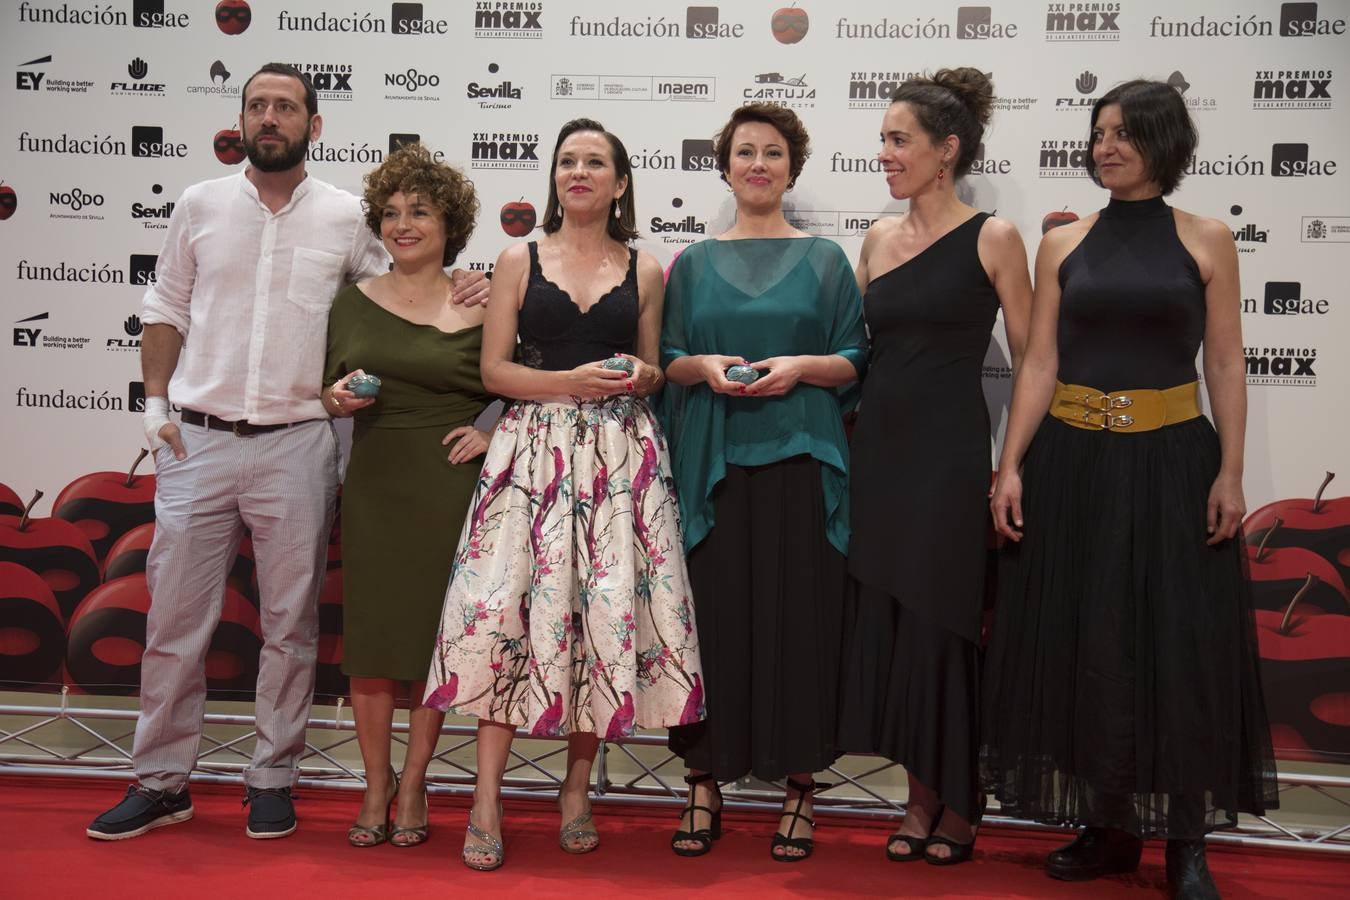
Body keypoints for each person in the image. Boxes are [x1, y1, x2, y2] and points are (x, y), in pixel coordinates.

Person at [86, 63, 487, 842]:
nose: (271, 117)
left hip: (299, 446)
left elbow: (404, 288)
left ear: (314, 124)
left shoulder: (346, 217)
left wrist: (469, 283)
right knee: (173, 621)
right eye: (258, 105)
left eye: (286, 107)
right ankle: (161, 780)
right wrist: (156, 403)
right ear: (241, 119)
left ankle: (273, 777)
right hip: (195, 440)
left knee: (290, 625)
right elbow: (164, 304)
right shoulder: (199, 204)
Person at [981, 80, 1278, 898]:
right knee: (1089, 643)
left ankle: (1186, 841)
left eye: (1124, 134)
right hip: (1073, 462)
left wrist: (1232, 470)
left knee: (1176, 649)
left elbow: (1224, 361)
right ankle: (1108, 827)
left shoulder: (1208, 238)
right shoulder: (1065, 244)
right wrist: (1010, 466)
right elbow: (1039, 361)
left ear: (1164, 142)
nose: (1106, 146)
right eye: (1099, 133)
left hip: (1173, 460)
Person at [422, 118, 704, 872]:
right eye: (568, 161)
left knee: (599, 618)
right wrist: (566, 386)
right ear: (555, 176)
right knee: (504, 617)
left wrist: (641, 378)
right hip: (531, 456)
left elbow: (650, 368)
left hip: (619, 457)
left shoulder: (647, 268)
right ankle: (488, 797)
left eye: (595, 163)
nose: (578, 172)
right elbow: (495, 373)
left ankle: (576, 789)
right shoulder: (518, 257)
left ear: (619, 183)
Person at [660, 103, 868, 862]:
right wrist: (704, 370)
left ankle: (801, 787)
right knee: (712, 625)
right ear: (723, 167)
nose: (757, 163)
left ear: (792, 167)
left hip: (802, 461)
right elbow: (670, 358)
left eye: (772, 152)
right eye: (743, 151)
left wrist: (802, 369)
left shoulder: (827, 261)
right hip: (713, 468)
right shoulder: (689, 263)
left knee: (801, 624)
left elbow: (854, 358)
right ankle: (703, 781)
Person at [838, 68, 1032, 865]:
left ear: (946, 151)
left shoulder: (994, 237)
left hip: (951, 458)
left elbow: (1035, 360)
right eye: (883, 139)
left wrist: (1011, 463)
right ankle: (920, 798)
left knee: (945, 625)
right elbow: (852, 352)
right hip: (878, 453)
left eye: (898, 140)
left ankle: (961, 802)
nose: (883, 154)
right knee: (898, 627)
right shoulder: (878, 241)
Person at [323, 143, 493, 848]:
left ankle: (416, 780)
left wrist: (492, 429)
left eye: (419, 211)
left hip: (451, 487)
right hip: (375, 482)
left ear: (449, 222)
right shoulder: (352, 301)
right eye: (390, 213)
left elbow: (520, 386)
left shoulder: (483, 299)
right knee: (371, 643)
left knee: (432, 644)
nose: (403, 224)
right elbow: (328, 389)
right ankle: (375, 784)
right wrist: (333, 396)